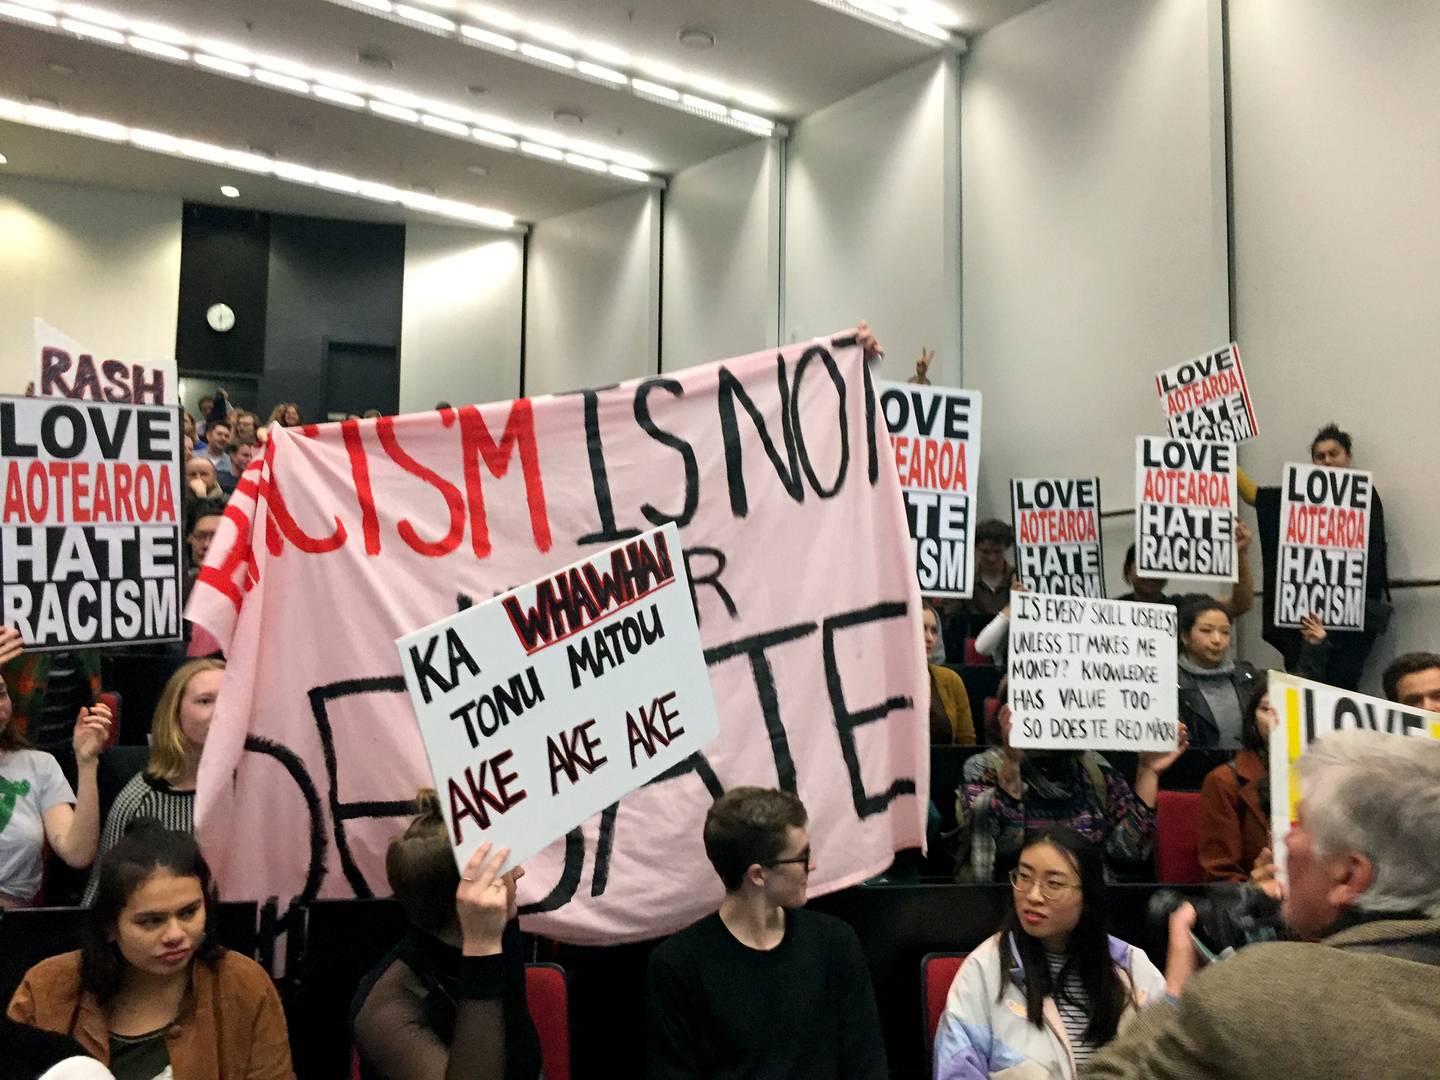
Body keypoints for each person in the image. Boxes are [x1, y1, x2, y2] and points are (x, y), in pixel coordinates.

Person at [1087, 731, 1440, 1078]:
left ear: (1348, 876)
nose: (1285, 838)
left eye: (1301, 824)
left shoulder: (1260, 989)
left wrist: (1176, 995)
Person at [7, 822, 292, 1077]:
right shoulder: (46, 988)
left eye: (189, 912)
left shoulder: (243, 985)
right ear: (109, 926)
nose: (175, 935)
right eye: (151, 921)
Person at [646, 787, 886, 1078]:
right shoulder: (678, 966)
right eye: (801, 857)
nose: (813, 865)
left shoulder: (834, 943)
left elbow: (867, 1067)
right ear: (758, 875)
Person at [933, 828, 1165, 1078]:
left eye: (1053, 884)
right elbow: (955, 1072)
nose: (1033, 896)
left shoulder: (1131, 967)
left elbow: (1172, 1060)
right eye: (1023, 877)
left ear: (1087, 896)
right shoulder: (984, 968)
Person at [351, 791, 540, 1080]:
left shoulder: (500, 936)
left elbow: (524, 1062)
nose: (518, 872)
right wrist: (481, 948)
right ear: (469, 899)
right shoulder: (386, 1008)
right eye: (503, 867)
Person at [957, 681, 1185, 882]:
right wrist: (1012, 766)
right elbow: (1006, 846)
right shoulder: (983, 768)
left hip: (1087, 900)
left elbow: (1127, 850)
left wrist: (1148, 771)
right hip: (1015, 899)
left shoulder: (1093, 766)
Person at [1250, 423, 1389, 691]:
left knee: (1344, 684)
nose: (1327, 460)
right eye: (1320, 456)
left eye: (1333, 453)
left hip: (1351, 616)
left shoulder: (1365, 496)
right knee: (1304, 684)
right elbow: (1259, 498)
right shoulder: (1296, 498)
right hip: (1307, 615)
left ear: (1347, 457)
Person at [80, 661, 223, 906]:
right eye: (205, 701)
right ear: (175, 712)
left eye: (231, 698)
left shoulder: (257, 788)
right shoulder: (140, 800)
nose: (221, 710)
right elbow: (101, 901)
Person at [0, 628, 111, 908]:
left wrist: (87, 764)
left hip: (16, 928)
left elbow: (78, 853)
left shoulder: (38, 764)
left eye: (1, 694)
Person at [1176, 597, 1327, 748]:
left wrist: (1313, 647)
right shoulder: (1171, 682)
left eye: (1225, 632)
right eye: (1206, 631)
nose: (1217, 639)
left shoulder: (1247, 675)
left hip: (1247, 768)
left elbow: (1296, 687)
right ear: (1185, 637)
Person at [1196, 677, 1282, 890]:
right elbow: (1220, 877)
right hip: (1259, 908)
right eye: (1267, 709)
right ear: (1252, 718)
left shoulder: (1325, 778)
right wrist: (1252, 890)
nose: (1278, 718)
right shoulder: (1224, 781)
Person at [1117, 518, 1255, 618]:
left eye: (1158, 566)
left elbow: (1239, 605)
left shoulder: (1184, 608)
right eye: (1144, 566)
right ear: (1128, 570)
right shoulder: (1111, 611)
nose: (1151, 575)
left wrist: (1241, 553)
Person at [924, 603, 975, 745]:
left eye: (934, 631)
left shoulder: (951, 680)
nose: (929, 638)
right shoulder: (886, 683)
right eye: (922, 628)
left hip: (947, 765)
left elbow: (966, 743)